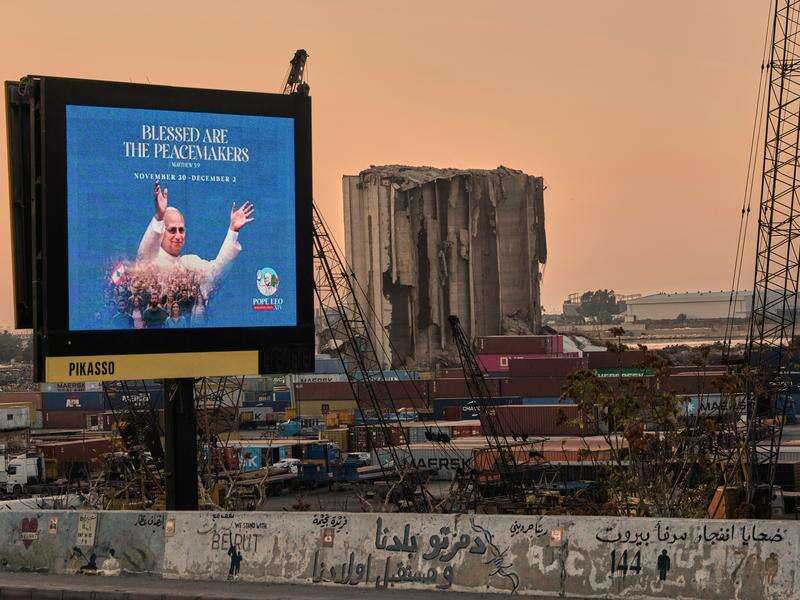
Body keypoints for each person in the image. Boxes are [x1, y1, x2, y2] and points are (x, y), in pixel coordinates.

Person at [136, 181, 255, 292]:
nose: (178, 236)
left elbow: (214, 274)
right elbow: (144, 255)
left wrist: (233, 230)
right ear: (162, 232)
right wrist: (160, 216)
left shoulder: (189, 262)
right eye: (172, 230)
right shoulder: (151, 261)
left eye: (181, 230)